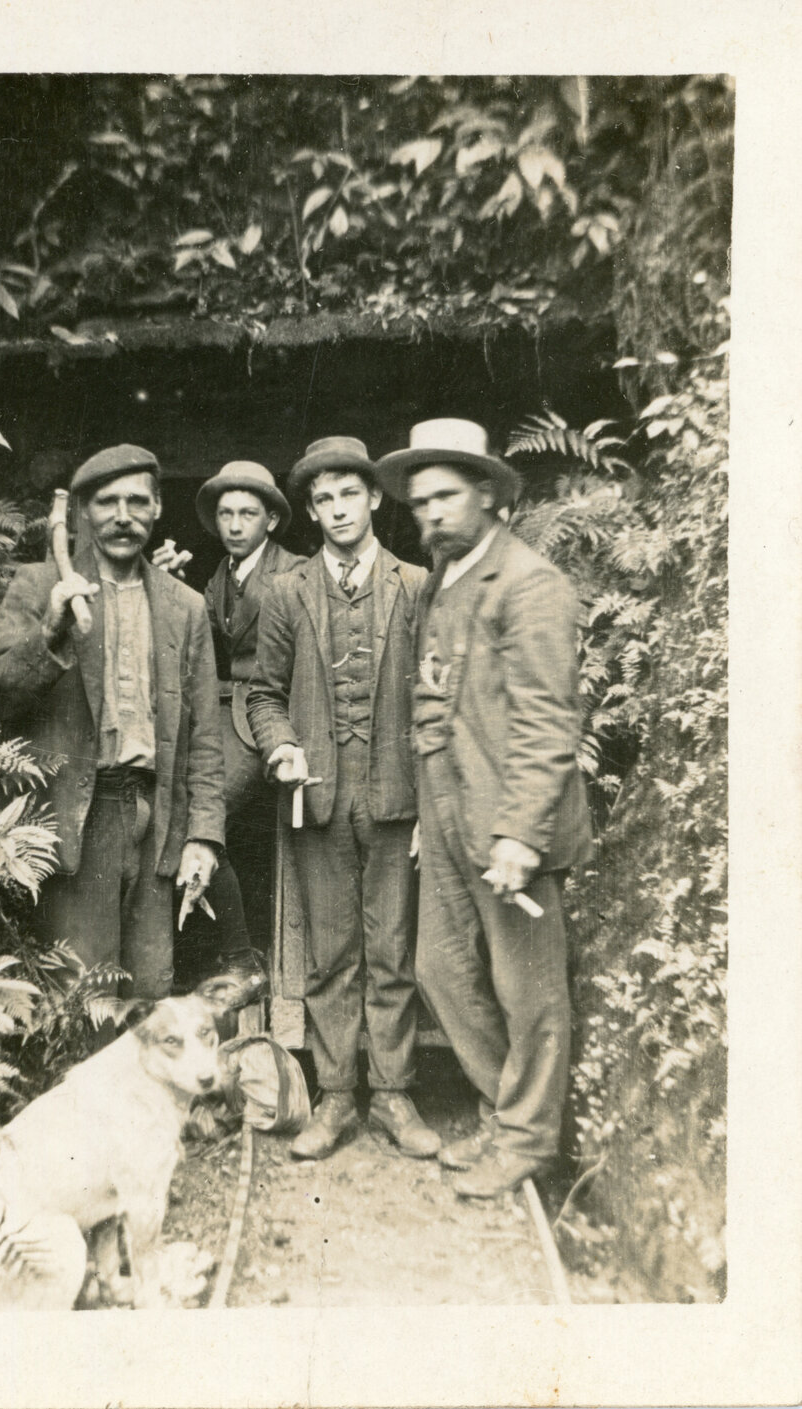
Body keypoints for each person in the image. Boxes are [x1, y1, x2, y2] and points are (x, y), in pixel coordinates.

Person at [374, 419, 592, 1197]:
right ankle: (508, 1114)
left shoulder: (528, 583)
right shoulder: (447, 576)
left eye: (444, 496)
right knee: (437, 963)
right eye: (419, 500)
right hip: (447, 815)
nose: (428, 513)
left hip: (507, 828)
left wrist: (519, 836)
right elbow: (438, 704)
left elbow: (545, 720)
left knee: (529, 991)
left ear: (490, 494)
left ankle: (528, 1140)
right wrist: (429, 821)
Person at [0, 444, 225, 1001]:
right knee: (80, 1002)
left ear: (158, 508)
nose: (123, 515)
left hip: (154, 822)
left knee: (147, 1001)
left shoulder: (185, 606)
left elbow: (206, 737)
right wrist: (51, 633)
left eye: (138, 501)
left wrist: (203, 836)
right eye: (107, 502)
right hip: (74, 822)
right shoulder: (42, 587)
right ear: (85, 512)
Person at [247, 435, 438, 1161]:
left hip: (395, 799)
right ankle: (334, 1095)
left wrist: (430, 799)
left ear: (374, 498)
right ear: (310, 510)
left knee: (391, 951)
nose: (334, 510)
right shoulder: (285, 591)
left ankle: (391, 1094)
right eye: (321, 499)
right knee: (330, 957)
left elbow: (435, 698)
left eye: (347, 494)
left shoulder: (416, 585)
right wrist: (281, 745)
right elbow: (263, 695)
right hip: (318, 800)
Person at [192, 461, 306, 989]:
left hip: (266, 719)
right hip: (222, 715)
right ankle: (239, 952)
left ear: (272, 521)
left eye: (247, 513)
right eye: (225, 514)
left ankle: (243, 957)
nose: (235, 525)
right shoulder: (222, 573)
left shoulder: (296, 571)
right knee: (187, 815)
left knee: (203, 817)